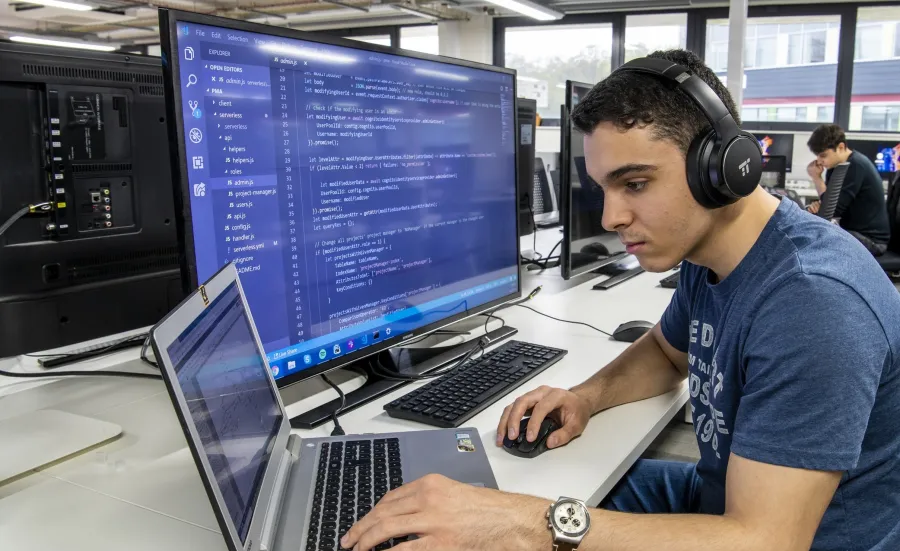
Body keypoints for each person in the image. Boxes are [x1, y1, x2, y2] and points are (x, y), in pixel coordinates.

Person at [341, 50, 900, 551]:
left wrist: (526, 524)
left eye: (634, 184)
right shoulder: (714, 256)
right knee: (511, 492)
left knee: (520, 519)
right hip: (723, 497)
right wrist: (586, 396)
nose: (611, 218)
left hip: (782, 534)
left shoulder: (814, 302)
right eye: (603, 188)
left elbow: (765, 539)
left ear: (722, 169)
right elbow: (666, 350)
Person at [805, 124, 891, 256]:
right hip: (855, 233)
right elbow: (828, 205)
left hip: (872, 241)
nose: (819, 161)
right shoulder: (836, 167)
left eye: (823, 155)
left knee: (817, 242)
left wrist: (817, 178)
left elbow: (831, 211)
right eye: (817, 155)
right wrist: (822, 204)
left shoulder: (856, 166)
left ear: (840, 147)